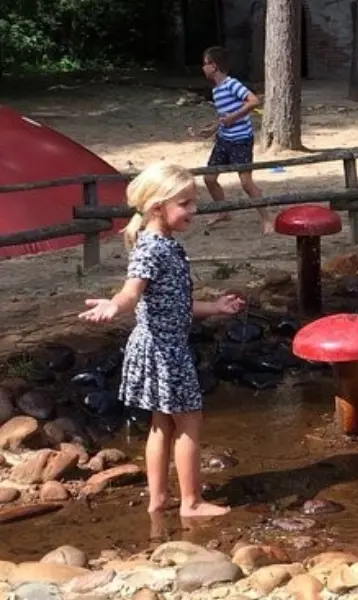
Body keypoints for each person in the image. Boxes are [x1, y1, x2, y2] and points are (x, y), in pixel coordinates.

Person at [78, 162, 244, 518]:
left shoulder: (160, 242)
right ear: (157, 207)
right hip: (164, 350)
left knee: (162, 422)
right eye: (185, 203)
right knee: (189, 421)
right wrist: (114, 305)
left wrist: (215, 307)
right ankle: (191, 502)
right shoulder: (153, 248)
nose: (194, 211)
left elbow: (175, 304)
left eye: (193, 202)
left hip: (156, 345)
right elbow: (131, 292)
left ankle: (158, 499)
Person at [196, 46, 273, 233]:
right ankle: (223, 211)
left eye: (205, 64)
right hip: (224, 140)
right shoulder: (216, 91)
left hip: (241, 140)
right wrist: (213, 128)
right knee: (209, 178)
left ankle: (266, 220)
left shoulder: (232, 84)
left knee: (246, 183)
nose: (203, 68)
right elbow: (225, 116)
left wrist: (234, 117)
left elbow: (254, 101)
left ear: (214, 66)